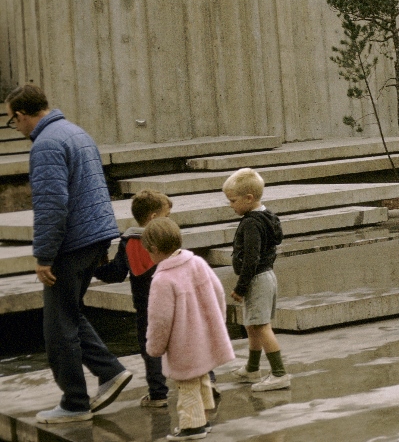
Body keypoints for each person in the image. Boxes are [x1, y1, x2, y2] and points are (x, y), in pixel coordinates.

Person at [4, 84, 132, 423]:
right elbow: (95, 189)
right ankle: (111, 372)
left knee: (57, 328)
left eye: (11, 121)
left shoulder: (45, 144)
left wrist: (44, 256)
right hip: (93, 238)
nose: (13, 127)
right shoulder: (75, 132)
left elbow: (51, 206)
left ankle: (75, 403)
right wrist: (104, 240)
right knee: (69, 314)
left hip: (71, 244)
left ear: (21, 114)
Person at [143, 217, 235, 441]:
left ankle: (191, 427)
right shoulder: (197, 263)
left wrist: (154, 347)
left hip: (183, 342)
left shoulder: (162, 280)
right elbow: (219, 293)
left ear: (154, 249)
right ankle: (203, 418)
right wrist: (217, 323)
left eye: (148, 251)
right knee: (202, 377)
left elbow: (160, 320)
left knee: (187, 385)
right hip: (205, 336)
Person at [95, 190, 174, 409]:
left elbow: (116, 273)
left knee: (151, 350)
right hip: (173, 303)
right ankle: (209, 383)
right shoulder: (167, 239)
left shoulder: (129, 242)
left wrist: (98, 267)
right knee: (185, 340)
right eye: (166, 216)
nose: (169, 221)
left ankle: (158, 395)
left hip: (146, 307)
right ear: (153, 217)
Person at [224, 168, 290, 390]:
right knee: (252, 324)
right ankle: (252, 368)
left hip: (256, 279)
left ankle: (279, 373)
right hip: (267, 277)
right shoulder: (267, 216)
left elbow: (252, 258)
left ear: (248, 198)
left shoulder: (251, 222)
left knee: (261, 326)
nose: (231, 205)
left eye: (233, 201)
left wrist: (240, 287)